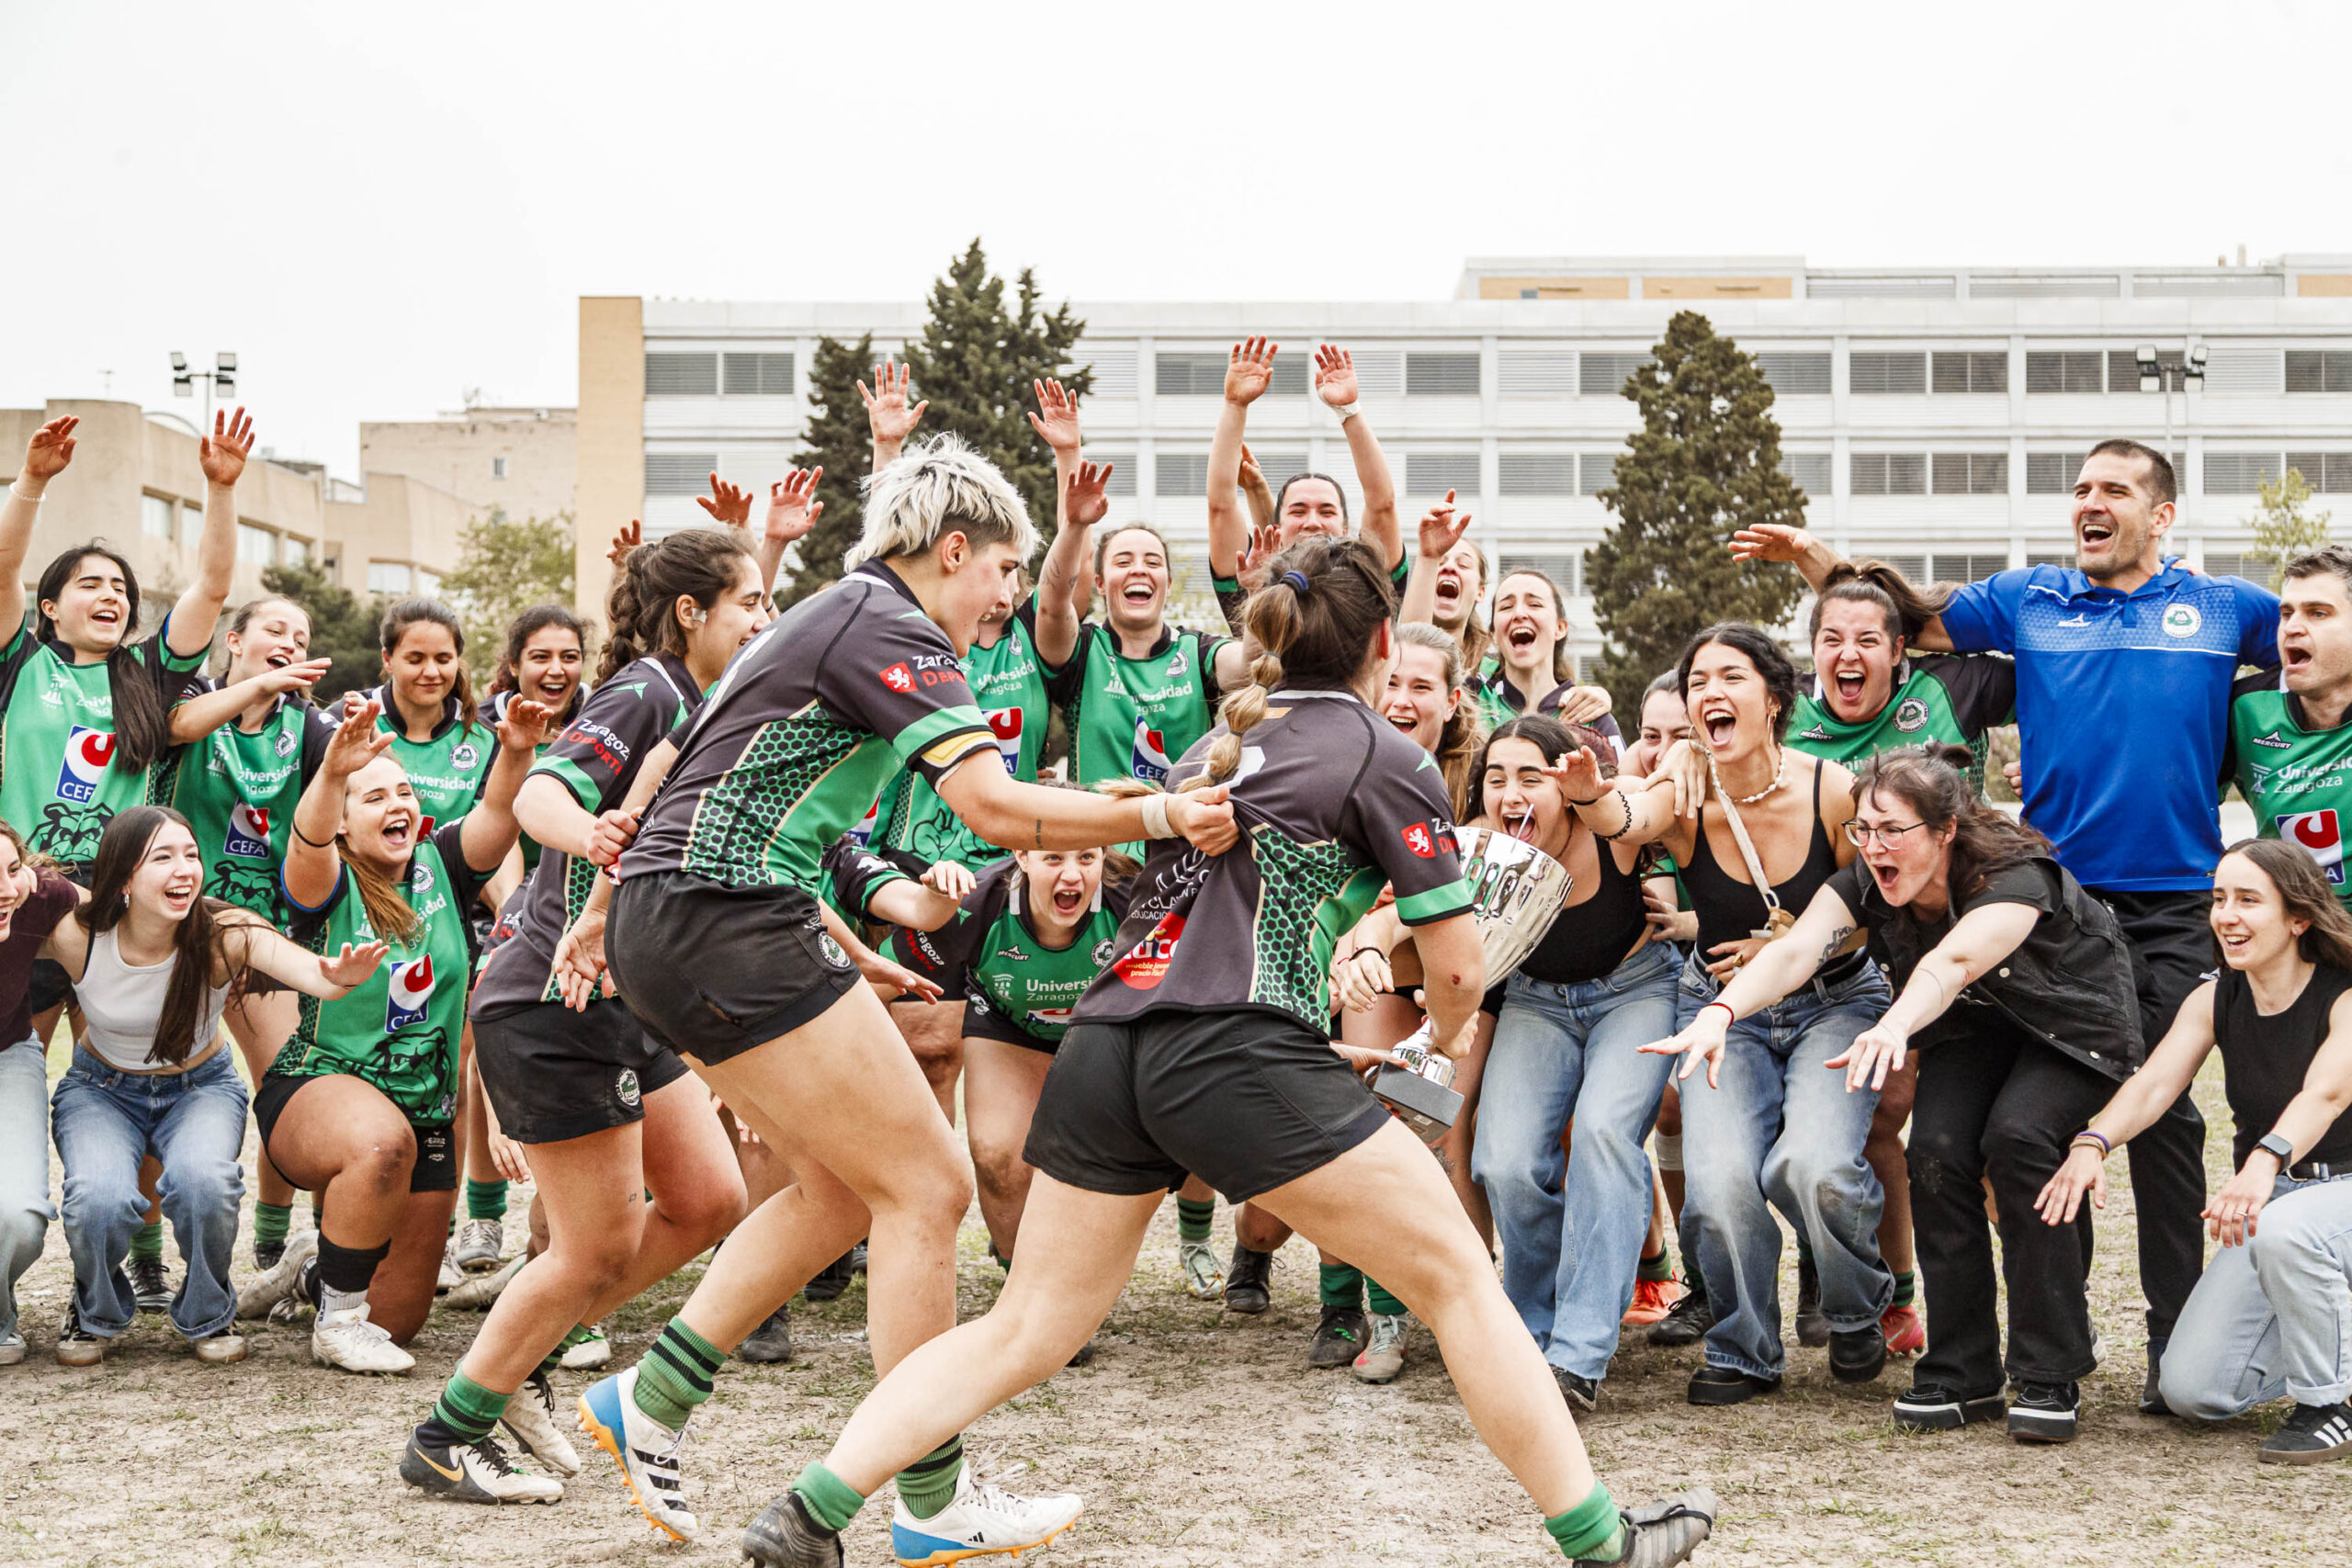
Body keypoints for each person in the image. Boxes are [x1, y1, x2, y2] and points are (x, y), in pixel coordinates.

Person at [728, 534, 1714, 1568]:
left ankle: (809, 1508)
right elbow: (1459, 968)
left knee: (1026, 1328)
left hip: (1105, 1044)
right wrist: (1442, 1042)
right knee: (1461, 1282)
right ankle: (1604, 1543)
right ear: (1384, 639)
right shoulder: (1386, 754)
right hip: (1234, 1047)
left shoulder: (1220, 743)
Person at [553, 434, 1236, 1551]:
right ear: (952, 549)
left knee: (837, 1190)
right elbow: (998, 815)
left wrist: (604, 908)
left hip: (684, 920)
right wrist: (1161, 816)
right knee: (927, 1188)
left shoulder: (831, 612)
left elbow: (688, 761)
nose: (1011, 598)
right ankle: (930, 1501)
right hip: (727, 919)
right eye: (1005, 572)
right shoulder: (890, 624)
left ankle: (652, 1399)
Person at [1737, 438, 2282, 1409]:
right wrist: (1818, 566)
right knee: (1989, 1135)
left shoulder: (2228, 610)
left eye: (2114, 490)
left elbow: (2322, 653)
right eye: (2079, 489)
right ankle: (2030, 1357)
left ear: (2163, 516)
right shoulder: (2029, 601)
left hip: (2166, 908)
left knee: (2160, 1124)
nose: (2089, 502)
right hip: (2042, 904)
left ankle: (2177, 1349)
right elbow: (1909, 624)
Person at [399, 530, 767, 1506]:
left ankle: (515, 1357)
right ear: (691, 614)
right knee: (592, 1250)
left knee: (709, 1201)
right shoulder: (644, 689)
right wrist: (592, 831)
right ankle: (452, 1429)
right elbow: (545, 796)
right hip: (549, 993)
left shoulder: (703, 697)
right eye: (750, 602)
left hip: (626, 996)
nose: (764, 619)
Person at [1651, 746, 2141, 1441]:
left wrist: (1893, 1024)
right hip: (1973, 1024)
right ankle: (1964, 1366)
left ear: (1945, 831)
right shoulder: (1868, 880)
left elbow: (1955, 959)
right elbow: (1795, 951)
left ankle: (2048, 1365)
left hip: (2069, 1024)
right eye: (1863, 829)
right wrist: (1721, 1011)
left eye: (1892, 830)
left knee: (2017, 1139)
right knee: (1936, 1153)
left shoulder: (2012, 875)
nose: (1873, 846)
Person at [1561, 624, 1894, 1404]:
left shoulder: (1833, 790)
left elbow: (1876, 906)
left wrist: (1794, 942)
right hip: (1724, 1016)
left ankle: (1854, 1309)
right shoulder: (1687, 792)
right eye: (1698, 680)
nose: (1711, 691)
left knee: (1812, 1166)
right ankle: (1744, 1345)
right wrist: (1589, 794)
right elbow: (1626, 819)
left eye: (1731, 676)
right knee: (1713, 1183)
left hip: (1835, 1002)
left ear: (1774, 699)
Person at [1335, 717, 1679, 1412]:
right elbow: (1394, 914)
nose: (1511, 792)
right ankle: (1530, 1328)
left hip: (1635, 990)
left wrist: (1602, 795)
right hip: (1537, 1001)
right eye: (1497, 779)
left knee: (1607, 1135)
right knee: (1504, 1159)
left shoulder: (1607, 827)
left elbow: (1647, 805)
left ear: (1565, 782)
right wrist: (1367, 945)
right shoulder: (1475, 849)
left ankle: (1578, 1356)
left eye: (1532, 777)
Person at [232, 690, 546, 1371]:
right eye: (371, 796)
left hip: (425, 1110)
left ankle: (314, 1270)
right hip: (317, 1091)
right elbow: (309, 836)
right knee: (380, 1140)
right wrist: (331, 772)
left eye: (402, 791)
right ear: (344, 824)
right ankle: (336, 1323)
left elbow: (497, 813)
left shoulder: (443, 862)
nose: (395, 803)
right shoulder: (325, 877)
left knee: (399, 1321)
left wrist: (516, 750)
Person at [1225, 620, 1485, 1372]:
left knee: (1427, 1136)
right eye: (1392, 680)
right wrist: (1364, 940)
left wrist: (1385, 932)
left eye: (1421, 686)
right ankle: (1338, 1301)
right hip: (1362, 978)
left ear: (1454, 698)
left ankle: (1393, 1311)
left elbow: (1475, 889)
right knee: (1358, 1132)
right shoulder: (1344, 756)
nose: (1401, 699)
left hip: (1453, 988)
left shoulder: (1478, 776)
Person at [2040, 840, 2352, 1464]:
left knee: (2285, 1228)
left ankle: (2329, 1404)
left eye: (2248, 900)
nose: (2226, 915)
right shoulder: (2217, 995)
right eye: (2218, 899)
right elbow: (2155, 1083)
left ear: (2298, 917)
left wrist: (2264, 1161)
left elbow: (2327, 1091)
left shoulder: (2344, 992)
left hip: (2331, 1189)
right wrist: (2092, 1140)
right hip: (2285, 1203)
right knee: (2193, 1390)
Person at [48, 807, 388, 1366]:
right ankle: (94, 1311)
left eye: (191, 855)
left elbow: (312, 974)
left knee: (205, 1184)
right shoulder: (78, 933)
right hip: (100, 1090)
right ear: (124, 878)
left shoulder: (225, 933)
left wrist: (339, 977)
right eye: (163, 857)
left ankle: (208, 1309)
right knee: (98, 1200)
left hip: (199, 1089)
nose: (184, 870)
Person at [1778, 563, 2016, 1359]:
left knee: (1958, 1131)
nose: (1849, 654)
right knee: (1864, 1112)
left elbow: (2061, 671)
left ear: (1899, 652)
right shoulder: (1788, 723)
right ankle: (1869, 1281)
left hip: (1968, 940)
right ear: (1812, 653)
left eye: (1867, 640)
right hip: (1849, 947)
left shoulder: (1954, 690)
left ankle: (2020, 1305)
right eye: (1831, 639)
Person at [833, 822, 1132, 1262]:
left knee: (1107, 1162)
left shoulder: (1134, 902)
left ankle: (1083, 1279)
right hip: (1010, 1029)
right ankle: (1022, 1289)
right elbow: (871, 988)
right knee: (997, 1159)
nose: (1073, 875)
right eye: (1054, 858)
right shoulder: (976, 905)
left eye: (1087, 857)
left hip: (1105, 1031)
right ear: (1022, 857)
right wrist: (782, 1057)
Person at [155, 594, 336, 1269]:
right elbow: (172, 728)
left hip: (267, 933)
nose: (291, 640)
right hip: (175, 926)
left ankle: (285, 1243)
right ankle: (145, 1257)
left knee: (291, 1084)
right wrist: (256, 686)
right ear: (235, 639)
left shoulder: (311, 725)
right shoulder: (191, 698)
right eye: (275, 629)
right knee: (147, 1090)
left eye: (303, 634)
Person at [449, 603, 591, 1277]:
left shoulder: (601, 719)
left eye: (569, 655)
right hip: (505, 898)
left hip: (583, 901)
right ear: (514, 664)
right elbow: (497, 823)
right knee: (482, 1039)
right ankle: (482, 1208)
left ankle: (564, 1224)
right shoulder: (486, 728)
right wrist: (513, 910)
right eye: (541, 656)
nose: (556, 669)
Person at [1206, 337, 1404, 625]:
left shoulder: (1365, 580)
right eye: (1298, 511)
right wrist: (1235, 405)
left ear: (1346, 529)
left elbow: (1381, 503)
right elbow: (1220, 506)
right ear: (1278, 527)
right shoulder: (1253, 577)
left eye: (1327, 511)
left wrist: (1348, 411)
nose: (1312, 521)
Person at [2229, 547, 2352, 912]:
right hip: (2293, 925)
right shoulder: (2245, 707)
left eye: (2318, 613)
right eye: (2287, 613)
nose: (2293, 627)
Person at [0, 820, 80, 1365]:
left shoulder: (33, 893)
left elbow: (119, 909)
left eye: (10, 870)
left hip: (8, 1051)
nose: (6, 890)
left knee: (21, 1217)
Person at [366, 599, 495, 836]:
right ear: (387, 659)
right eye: (415, 660)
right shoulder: (353, 717)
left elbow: (489, 833)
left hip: (453, 872)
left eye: (443, 660)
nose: (432, 672)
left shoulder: (485, 738)